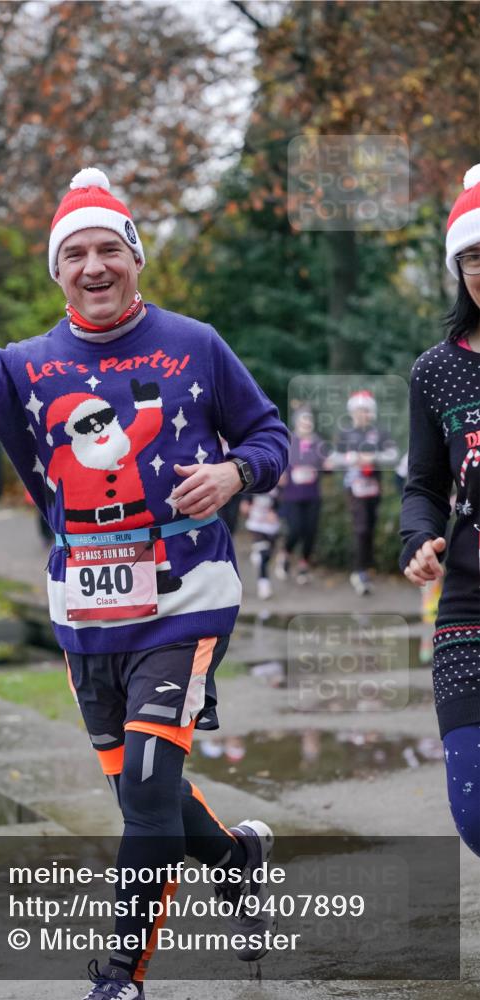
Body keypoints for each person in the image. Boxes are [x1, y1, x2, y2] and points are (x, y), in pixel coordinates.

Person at [0, 168, 290, 997]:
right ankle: (236, 857)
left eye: (108, 247)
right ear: (57, 271)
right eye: (73, 253)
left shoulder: (195, 345)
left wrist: (232, 475)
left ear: (135, 256)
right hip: (87, 610)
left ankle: (121, 977)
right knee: (143, 789)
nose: (93, 266)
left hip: (188, 595)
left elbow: (267, 434)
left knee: (147, 792)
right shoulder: (22, 369)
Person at [400, 163, 480, 857]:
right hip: (468, 605)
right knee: (475, 813)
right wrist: (418, 538)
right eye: (475, 257)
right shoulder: (435, 371)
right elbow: (423, 482)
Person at [329, 390, 398, 596]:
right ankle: (359, 571)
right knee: (360, 528)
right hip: (354, 487)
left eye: (366, 411)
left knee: (369, 527)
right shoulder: (345, 433)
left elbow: (393, 454)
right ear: (352, 412)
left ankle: (365, 567)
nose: (362, 414)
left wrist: (373, 457)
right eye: (359, 411)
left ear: (371, 413)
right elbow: (334, 457)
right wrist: (352, 458)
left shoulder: (381, 432)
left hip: (374, 487)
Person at [276, 407, 324, 585]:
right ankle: (285, 554)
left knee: (310, 531)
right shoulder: (289, 441)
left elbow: (325, 466)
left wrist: (327, 465)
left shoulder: (318, 442)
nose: (306, 423)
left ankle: (303, 566)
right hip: (292, 495)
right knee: (295, 530)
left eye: (309, 420)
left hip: (312, 495)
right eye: (303, 420)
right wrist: (281, 473)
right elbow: (279, 461)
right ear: (296, 422)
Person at [243, 487, 281, 599]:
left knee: (268, 555)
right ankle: (264, 585)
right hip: (256, 525)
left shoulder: (277, 487)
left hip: (271, 527)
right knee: (264, 554)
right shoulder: (253, 484)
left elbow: (285, 505)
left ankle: (257, 552)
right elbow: (244, 505)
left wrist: (275, 513)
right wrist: (246, 507)